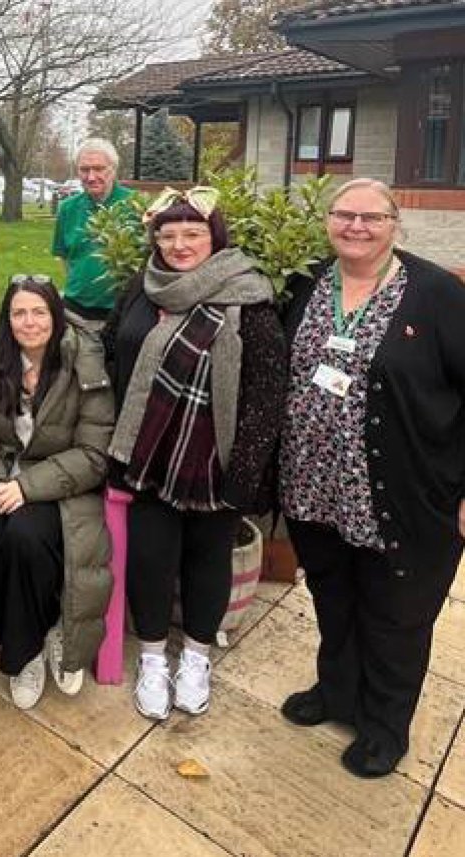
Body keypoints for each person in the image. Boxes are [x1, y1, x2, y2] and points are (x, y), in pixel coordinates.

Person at [278, 178, 465, 778]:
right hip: (315, 487)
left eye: (371, 217)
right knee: (333, 598)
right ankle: (337, 692)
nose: (356, 226)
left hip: (404, 493)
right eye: (344, 215)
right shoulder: (307, 282)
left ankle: (385, 726)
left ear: (395, 222)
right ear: (327, 220)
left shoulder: (435, 294)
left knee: (396, 613)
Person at [103, 187, 285, 722]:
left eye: (192, 234)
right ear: (155, 239)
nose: (180, 245)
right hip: (148, 455)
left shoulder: (247, 295)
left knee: (209, 561)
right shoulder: (142, 288)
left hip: (217, 462)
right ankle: (155, 659)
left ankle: (198, 659)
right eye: (168, 234)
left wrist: (245, 472)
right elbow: (112, 347)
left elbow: (267, 391)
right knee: (151, 561)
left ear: (215, 238)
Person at [0, 277, 114, 710]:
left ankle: (23, 654)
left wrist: (26, 488)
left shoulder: (84, 364)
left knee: (25, 537)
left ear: (55, 315)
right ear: (7, 319)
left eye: (39, 312)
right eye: (19, 313)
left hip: (62, 486)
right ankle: (32, 635)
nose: (29, 322)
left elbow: (93, 453)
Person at [51, 139, 136, 326]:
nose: (91, 177)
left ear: (113, 170)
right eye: (84, 169)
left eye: (99, 169)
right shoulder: (68, 209)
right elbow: (64, 257)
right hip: (76, 310)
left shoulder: (134, 205)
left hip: (121, 310)